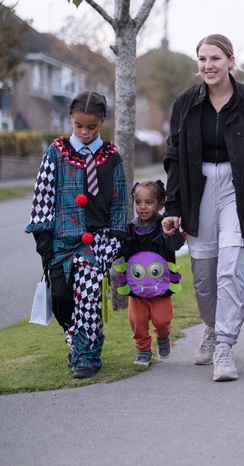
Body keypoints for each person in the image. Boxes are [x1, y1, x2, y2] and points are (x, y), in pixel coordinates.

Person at [162, 34, 244, 382]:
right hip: (198, 191)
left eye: (215, 58)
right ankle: (211, 328)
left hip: (237, 189)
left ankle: (225, 347)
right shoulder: (185, 103)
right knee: (203, 277)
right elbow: (173, 157)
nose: (208, 66)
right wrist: (173, 206)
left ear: (230, 60)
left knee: (231, 268)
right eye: (202, 59)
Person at [26, 91, 128, 379]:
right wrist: (43, 236)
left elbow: (120, 198)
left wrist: (117, 235)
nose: (84, 133)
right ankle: (78, 343)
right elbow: (43, 194)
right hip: (61, 238)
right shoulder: (56, 152)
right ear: (71, 119)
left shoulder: (110, 156)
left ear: (102, 122)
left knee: (87, 295)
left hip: (99, 240)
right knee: (62, 297)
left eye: (92, 127)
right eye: (79, 126)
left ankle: (87, 355)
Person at [117, 180, 185, 367]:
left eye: (149, 202)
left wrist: (173, 233)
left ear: (161, 204)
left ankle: (163, 337)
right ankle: (143, 350)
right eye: (138, 202)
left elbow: (176, 245)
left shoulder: (165, 226)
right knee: (137, 322)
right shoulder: (129, 229)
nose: (143, 207)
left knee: (162, 320)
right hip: (136, 288)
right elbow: (120, 250)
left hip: (160, 286)